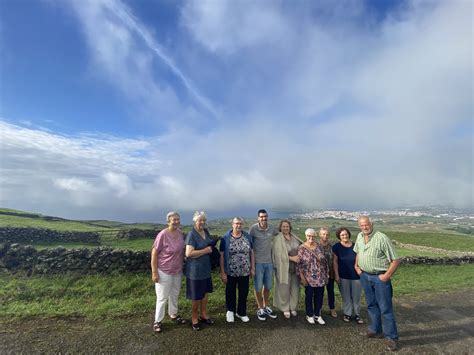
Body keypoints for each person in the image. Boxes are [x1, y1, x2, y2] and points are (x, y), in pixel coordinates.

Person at [354, 216, 401, 352]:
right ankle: (375, 330)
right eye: (362, 225)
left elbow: (396, 259)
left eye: (366, 224)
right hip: (364, 276)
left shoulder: (382, 238)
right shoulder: (359, 236)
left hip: (379, 278)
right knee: (371, 305)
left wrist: (386, 276)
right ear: (359, 226)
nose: (364, 227)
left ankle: (391, 338)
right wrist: (356, 266)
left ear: (371, 224)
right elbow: (358, 252)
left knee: (385, 308)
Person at [150, 211, 186, 333]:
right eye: (173, 220)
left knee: (174, 294)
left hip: (177, 270)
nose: (176, 222)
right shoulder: (163, 234)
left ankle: (173, 315)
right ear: (168, 221)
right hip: (164, 270)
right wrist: (154, 272)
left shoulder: (180, 233)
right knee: (162, 297)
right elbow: (154, 253)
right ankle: (157, 321)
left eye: (178, 219)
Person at [185, 211, 216, 331]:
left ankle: (203, 314)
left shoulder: (205, 231)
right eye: (200, 220)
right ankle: (194, 318)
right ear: (194, 221)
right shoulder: (191, 235)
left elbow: (208, 244)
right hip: (195, 271)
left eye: (204, 220)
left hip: (205, 269)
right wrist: (206, 250)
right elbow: (188, 253)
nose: (202, 222)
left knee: (204, 293)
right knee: (196, 296)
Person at [219, 217, 254, 323]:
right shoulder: (225, 238)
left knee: (244, 292)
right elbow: (222, 255)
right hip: (230, 272)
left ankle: (241, 312)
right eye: (236, 223)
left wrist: (252, 267)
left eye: (240, 224)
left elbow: (252, 252)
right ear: (232, 225)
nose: (238, 225)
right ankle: (230, 312)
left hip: (245, 271)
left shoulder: (247, 236)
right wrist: (223, 272)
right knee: (230, 292)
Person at [249, 209, 278, 321]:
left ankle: (265, 306)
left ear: (267, 217)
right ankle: (260, 308)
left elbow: (281, 234)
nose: (263, 218)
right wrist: (251, 265)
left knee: (268, 286)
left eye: (265, 216)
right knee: (258, 286)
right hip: (258, 263)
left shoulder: (272, 228)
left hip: (269, 262)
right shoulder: (253, 229)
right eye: (261, 217)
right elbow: (249, 245)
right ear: (258, 218)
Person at [297, 228, 329, 325]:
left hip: (320, 276)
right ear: (306, 236)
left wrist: (327, 274)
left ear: (315, 236)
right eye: (308, 236)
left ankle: (318, 315)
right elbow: (299, 264)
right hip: (308, 277)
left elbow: (325, 261)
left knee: (319, 296)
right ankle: (309, 315)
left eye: (312, 236)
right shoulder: (302, 248)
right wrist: (302, 278)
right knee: (309, 296)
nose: (311, 237)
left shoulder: (319, 246)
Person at [272, 220, 302, 318]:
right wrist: (292, 258)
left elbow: (301, 247)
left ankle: (292, 307)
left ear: (290, 227)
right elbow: (278, 255)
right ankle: (285, 308)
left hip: (296, 268)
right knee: (284, 289)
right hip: (283, 268)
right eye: (284, 226)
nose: (286, 228)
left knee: (295, 289)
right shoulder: (278, 239)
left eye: (287, 226)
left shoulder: (294, 237)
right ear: (280, 228)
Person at [333, 227, 363, 324]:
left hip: (356, 276)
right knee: (346, 297)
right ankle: (347, 314)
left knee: (356, 297)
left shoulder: (355, 246)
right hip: (343, 276)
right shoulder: (336, 247)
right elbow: (335, 262)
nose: (345, 236)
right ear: (339, 237)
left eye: (346, 234)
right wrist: (336, 275)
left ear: (349, 235)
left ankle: (357, 314)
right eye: (342, 235)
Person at [319, 227, 337, 318]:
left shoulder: (332, 246)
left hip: (330, 272)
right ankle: (319, 309)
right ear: (320, 235)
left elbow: (334, 259)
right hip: (319, 273)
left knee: (331, 291)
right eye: (323, 234)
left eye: (326, 234)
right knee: (320, 292)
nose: (325, 236)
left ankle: (332, 308)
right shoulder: (316, 245)